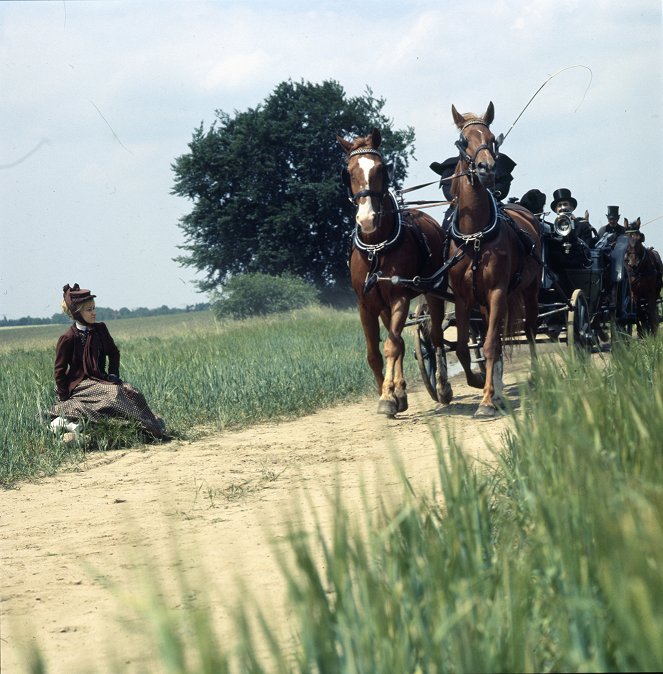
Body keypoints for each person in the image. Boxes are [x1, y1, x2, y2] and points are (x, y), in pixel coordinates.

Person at [49, 283, 166, 442]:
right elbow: (59, 372)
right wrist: (64, 397)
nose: (94, 313)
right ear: (77, 312)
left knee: (131, 391)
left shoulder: (100, 329)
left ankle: (150, 427)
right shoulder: (68, 338)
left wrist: (112, 375)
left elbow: (113, 353)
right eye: (89, 309)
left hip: (100, 378)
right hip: (80, 384)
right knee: (113, 394)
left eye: (94, 308)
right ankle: (130, 430)